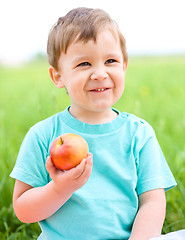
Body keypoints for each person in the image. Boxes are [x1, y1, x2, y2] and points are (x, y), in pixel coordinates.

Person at [10, 7, 177, 240]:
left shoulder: (139, 133)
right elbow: (23, 210)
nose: (100, 73)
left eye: (110, 61)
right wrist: (60, 189)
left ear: (124, 66)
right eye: (84, 64)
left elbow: (152, 202)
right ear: (58, 77)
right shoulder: (44, 135)